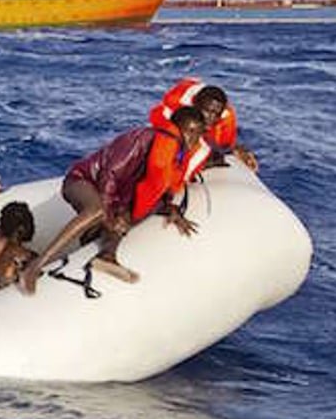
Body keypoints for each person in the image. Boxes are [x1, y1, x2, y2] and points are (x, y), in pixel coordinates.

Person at [20, 107, 207, 294]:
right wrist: (109, 214)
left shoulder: (177, 155)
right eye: (188, 131)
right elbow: (110, 172)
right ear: (174, 127)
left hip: (116, 195)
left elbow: (160, 186)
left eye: (197, 133)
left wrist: (171, 209)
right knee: (98, 211)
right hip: (84, 180)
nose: (191, 138)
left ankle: (106, 256)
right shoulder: (143, 138)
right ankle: (36, 265)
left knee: (127, 216)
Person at [150, 79, 257, 171]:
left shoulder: (226, 116)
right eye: (207, 111)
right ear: (195, 104)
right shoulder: (174, 105)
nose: (211, 118)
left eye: (216, 114)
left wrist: (239, 150)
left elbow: (224, 145)